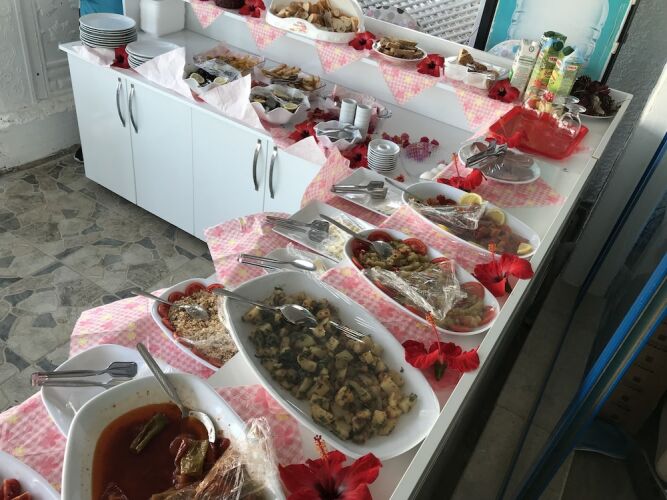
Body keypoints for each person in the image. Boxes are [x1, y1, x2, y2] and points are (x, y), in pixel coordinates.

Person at [74, 0, 124, 162]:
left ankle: (122, 143)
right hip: (92, 19)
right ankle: (93, 141)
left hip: (126, 18)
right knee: (94, 85)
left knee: (122, 86)